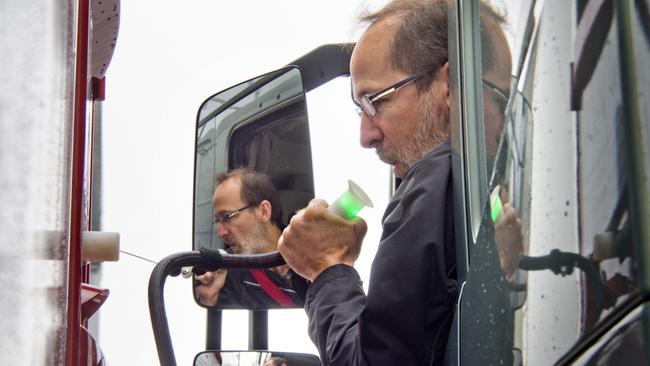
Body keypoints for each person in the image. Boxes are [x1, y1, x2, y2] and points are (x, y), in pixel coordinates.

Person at [278, 1, 457, 364]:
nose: (365, 135)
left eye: (374, 102)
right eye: (360, 110)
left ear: (450, 86)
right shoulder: (488, 182)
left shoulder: (435, 179)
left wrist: (328, 268)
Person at [194, 168, 308, 309]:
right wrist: (210, 300)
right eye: (217, 220)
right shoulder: (227, 271)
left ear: (264, 211)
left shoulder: (309, 253)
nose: (220, 232)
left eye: (227, 217)